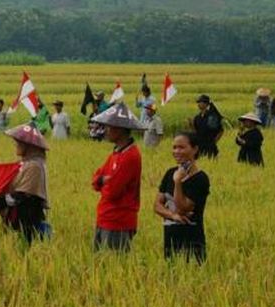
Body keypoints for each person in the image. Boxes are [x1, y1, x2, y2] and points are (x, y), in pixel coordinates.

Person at [90, 103, 143, 252]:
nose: (105, 130)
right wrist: (102, 180)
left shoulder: (130, 156)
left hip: (118, 220)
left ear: (119, 129)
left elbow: (112, 192)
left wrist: (105, 181)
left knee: (113, 264)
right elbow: (95, 180)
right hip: (105, 217)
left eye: (109, 126)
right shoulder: (117, 153)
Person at [153, 132, 210, 263]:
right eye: (174, 147)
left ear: (195, 149)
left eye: (181, 147)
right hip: (170, 239)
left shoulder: (200, 179)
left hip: (192, 241)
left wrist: (178, 182)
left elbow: (183, 208)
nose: (176, 151)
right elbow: (157, 205)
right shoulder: (169, 173)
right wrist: (172, 216)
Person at [0, 123, 51, 244]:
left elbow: (24, 194)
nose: (16, 145)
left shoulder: (34, 165)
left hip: (27, 218)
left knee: (25, 247)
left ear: (29, 146)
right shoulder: (27, 163)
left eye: (19, 142)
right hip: (20, 216)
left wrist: (1, 201)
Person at [190, 94, 223, 158]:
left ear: (206, 104)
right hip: (199, 146)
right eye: (198, 102)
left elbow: (220, 131)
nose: (198, 104)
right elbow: (195, 132)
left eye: (200, 102)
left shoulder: (212, 116)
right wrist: (191, 125)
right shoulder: (197, 117)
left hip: (210, 146)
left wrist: (214, 142)